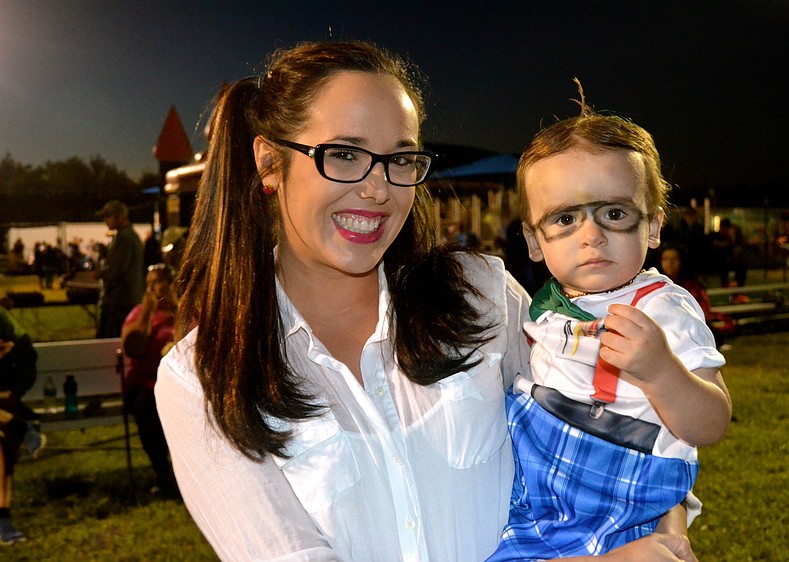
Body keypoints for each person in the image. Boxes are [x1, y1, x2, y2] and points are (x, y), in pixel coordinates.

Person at [155, 41, 699, 562]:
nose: (377, 188)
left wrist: (665, 527)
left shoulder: (479, 295)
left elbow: (605, 431)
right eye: (344, 155)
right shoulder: (204, 378)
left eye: (400, 159)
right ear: (270, 164)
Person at [487, 87, 732, 560]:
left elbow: (711, 422)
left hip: (617, 489)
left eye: (614, 213)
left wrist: (662, 371)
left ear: (655, 226)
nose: (592, 235)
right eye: (565, 219)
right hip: (540, 485)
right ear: (534, 241)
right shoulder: (545, 305)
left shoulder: (663, 307)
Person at [120, 263, 179, 498]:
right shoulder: (137, 314)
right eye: (153, 283)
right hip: (145, 383)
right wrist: (147, 314)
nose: (158, 287)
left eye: (163, 281)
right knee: (146, 408)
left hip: (178, 383)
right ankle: (163, 472)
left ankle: (183, 473)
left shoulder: (183, 312)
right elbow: (133, 348)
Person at [0, 306, 47, 545]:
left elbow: (25, 353)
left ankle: (3, 519)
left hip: (6, 392)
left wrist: (15, 390)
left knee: (2, 444)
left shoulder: (3, 321)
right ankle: (23, 428)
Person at [659, 244, 736, 348]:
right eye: (665, 259)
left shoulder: (693, 286)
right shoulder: (657, 285)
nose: (669, 263)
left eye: (674, 259)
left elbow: (704, 309)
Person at [96, 200, 145, 338]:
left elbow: (117, 270)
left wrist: (99, 273)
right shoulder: (129, 236)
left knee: (110, 340)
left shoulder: (124, 238)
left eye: (107, 216)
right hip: (128, 298)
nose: (105, 220)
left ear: (119, 217)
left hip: (121, 301)